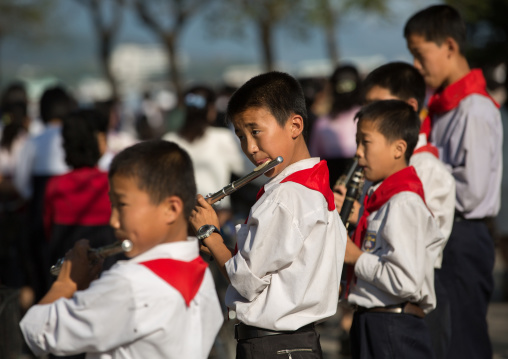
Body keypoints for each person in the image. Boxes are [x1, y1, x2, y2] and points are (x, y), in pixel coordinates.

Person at [190, 71, 347, 359]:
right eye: (241, 135)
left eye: (256, 131)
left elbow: (245, 281)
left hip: (274, 348)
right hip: (295, 344)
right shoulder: (313, 188)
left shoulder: (286, 196)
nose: (250, 147)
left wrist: (209, 234)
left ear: (295, 125)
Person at [19, 140, 223, 358]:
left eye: (122, 205)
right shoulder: (201, 272)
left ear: (171, 209)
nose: (114, 221)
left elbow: (38, 332)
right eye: (112, 205)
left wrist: (66, 283)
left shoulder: (129, 283)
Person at [404, 5, 503, 358]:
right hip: (443, 230)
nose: (416, 65)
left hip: (461, 234)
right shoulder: (443, 107)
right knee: (442, 338)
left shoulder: (473, 109)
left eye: (419, 53)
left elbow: (473, 193)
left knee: (463, 340)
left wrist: (422, 184)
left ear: (449, 46)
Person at [361, 61, 456, 358]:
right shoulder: (375, 166)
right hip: (375, 302)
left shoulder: (430, 170)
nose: (370, 114)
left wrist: (358, 254)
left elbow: (423, 251)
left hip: (407, 306)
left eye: (379, 105)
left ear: (410, 106)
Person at [344, 100, 445, 359]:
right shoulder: (383, 201)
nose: (358, 153)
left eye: (365, 142)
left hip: (394, 326)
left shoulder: (404, 203)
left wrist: (355, 256)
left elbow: (404, 281)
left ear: (399, 148)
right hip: (375, 323)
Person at [13, 85, 76, 300]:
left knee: (45, 270)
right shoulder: (74, 139)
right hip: (74, 213)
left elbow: (22, 186)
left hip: (41, 211)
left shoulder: (33, 142)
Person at [44, 109, 118, 277]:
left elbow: (48, 233)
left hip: (66, 275)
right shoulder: (113, 184)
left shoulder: (55, 186)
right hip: (107, 274)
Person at [163, 85, 245, 226]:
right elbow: (243, 168)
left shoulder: (169, 140)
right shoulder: (223, 138)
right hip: (218, 216)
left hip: (182, 218)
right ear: (211, 110)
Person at [309, 64, 363, 185]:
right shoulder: (322, 124)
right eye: (341, 83)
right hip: (332, 188)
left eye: (349, 83)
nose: (345, 88)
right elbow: (315, 160)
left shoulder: (366, 117)